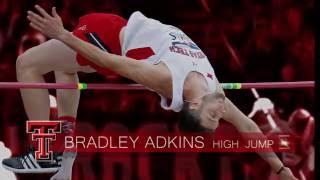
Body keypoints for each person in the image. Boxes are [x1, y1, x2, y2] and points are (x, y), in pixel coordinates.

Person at [2, 5, 297, 180]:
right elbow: (247, 126)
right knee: (65, 70)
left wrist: (63, 34)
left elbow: (111, 61)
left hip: (106, 41)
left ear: (193, 105)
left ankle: (42, 153)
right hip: (116, 29)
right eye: (218, 115)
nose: (220, 111)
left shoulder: (165, 79)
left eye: (212, 116)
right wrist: (281, 169)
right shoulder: (213, 92)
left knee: (26, 64)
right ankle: (65, 154)